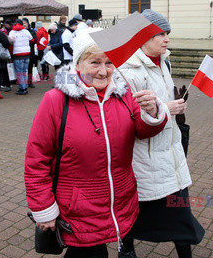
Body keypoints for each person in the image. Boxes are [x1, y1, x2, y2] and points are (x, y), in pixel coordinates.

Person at [25, 29, 168, 258]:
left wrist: (152, 112)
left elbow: (143, 131)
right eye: (95, 62)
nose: (104, 71)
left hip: (119, 201)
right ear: (79, 64)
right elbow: (37, 159)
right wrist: (43, 207)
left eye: (110, 62)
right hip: (78, 209)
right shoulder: (56, 101)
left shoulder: (123, 93)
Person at [118, 10, 205, 258]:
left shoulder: (164, 61)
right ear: (142, 37)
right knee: (137, 210)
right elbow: (128, 119)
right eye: (159, 34)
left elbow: (161, 102)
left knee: (180, 212)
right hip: (145, 158)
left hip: (170, 152)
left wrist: (175, 105)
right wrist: (166, 108)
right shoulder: (129, 70)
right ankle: (126, 246)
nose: (166, 39)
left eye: (167, 33)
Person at [8, 19, 34, 95]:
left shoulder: (12, 32)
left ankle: (23, 88)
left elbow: (9, 42)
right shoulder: (26, 31)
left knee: (19, 72)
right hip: (27, 54)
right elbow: (32, 40)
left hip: (17, 54)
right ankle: (24, 86)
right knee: (24, 71)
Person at [22, 18, 38, 88]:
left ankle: (30, 82)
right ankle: (22, 82)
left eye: (25, 23)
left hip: (30, 52)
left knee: (30, 68)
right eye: (22, 23)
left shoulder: (32, 32)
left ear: (28, 23)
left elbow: (35, 40)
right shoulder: (20, 32)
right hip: (22, 52)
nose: (24, 24)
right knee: (22, 69)